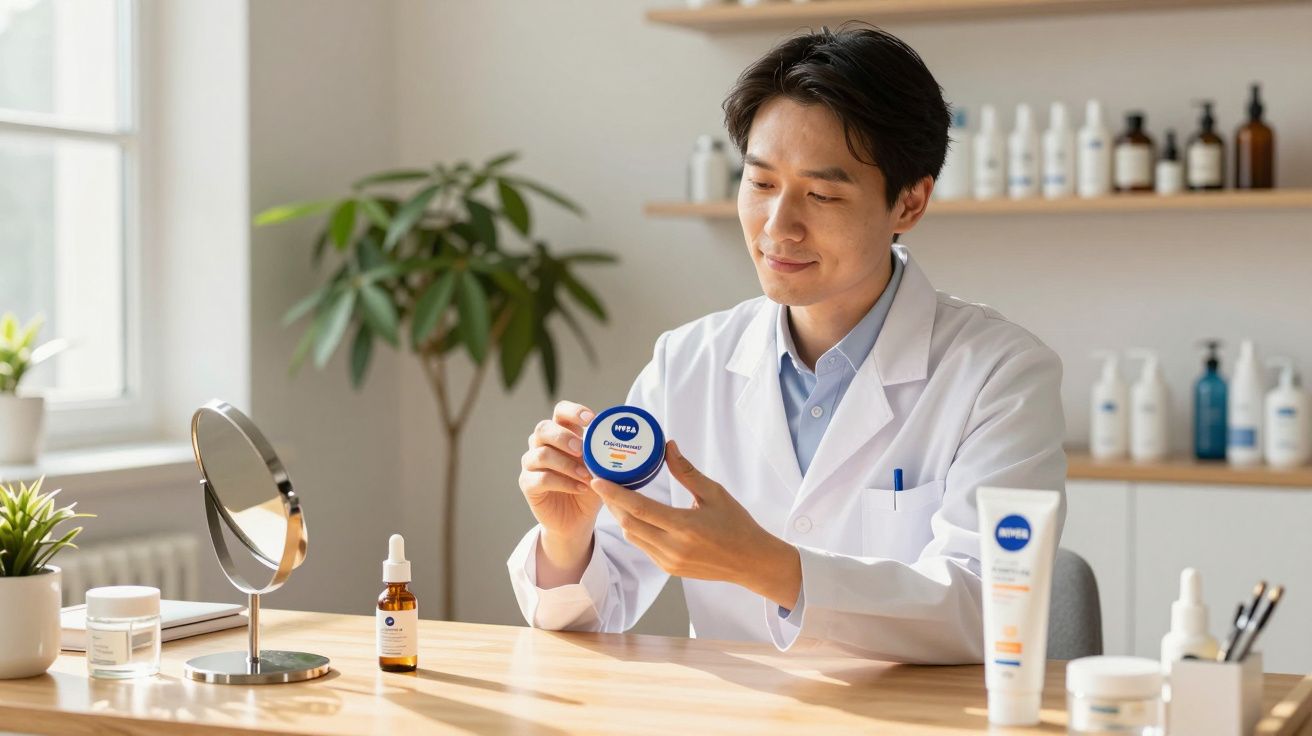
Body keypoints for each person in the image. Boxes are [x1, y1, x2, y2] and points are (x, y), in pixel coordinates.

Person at [506, 24, 1066, 664]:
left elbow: (989, 608)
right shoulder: (688, 362)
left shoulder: (1000, 375)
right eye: (761, 183)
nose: (778, 227)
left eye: (822, 193)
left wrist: (771, 567)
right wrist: (566, 537)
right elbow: (593, 614)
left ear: (909, 202)